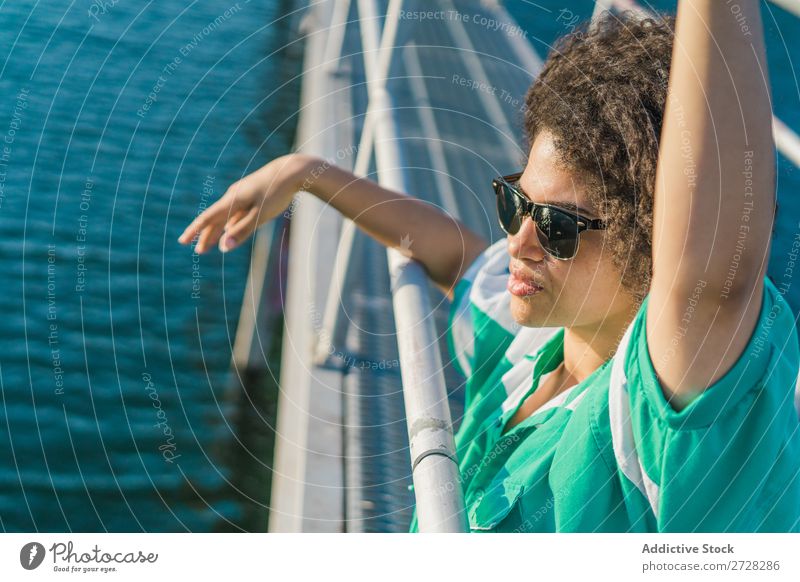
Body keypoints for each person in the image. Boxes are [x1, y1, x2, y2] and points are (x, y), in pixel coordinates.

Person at [179, 1, 800, 532]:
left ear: (653, 247)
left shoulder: (654, 407)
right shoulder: (536, 335)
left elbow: (713, 272)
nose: (520, 240)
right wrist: (308, 174)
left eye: (558, 228)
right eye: (515, 202)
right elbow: (452, 251)